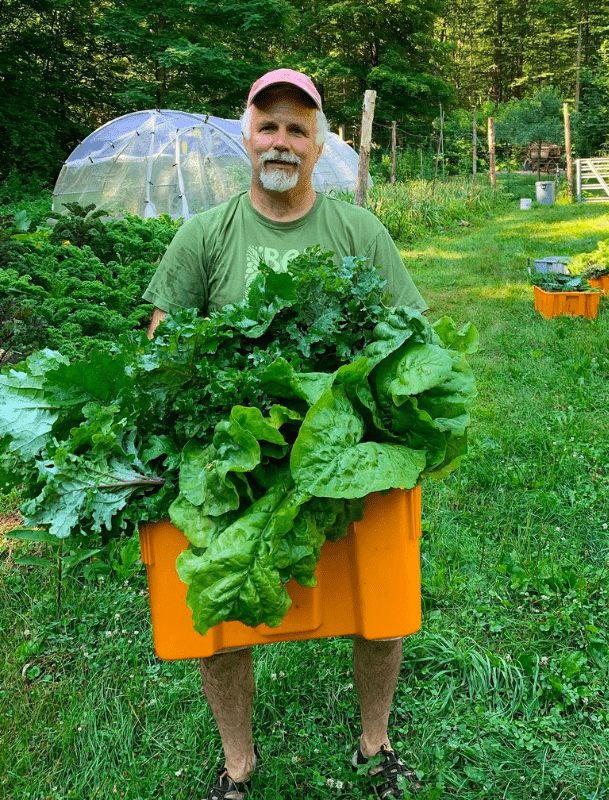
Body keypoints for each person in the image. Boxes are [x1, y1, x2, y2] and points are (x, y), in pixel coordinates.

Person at [143, 69, 427, 800]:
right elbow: (162, 351)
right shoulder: (205, 237)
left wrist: (372, 416)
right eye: (268, 125)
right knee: (220, 622)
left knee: (382, 609)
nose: (281, 141)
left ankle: (376, 742)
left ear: (321, 143)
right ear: (246, 135)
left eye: (297, 129)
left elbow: (414, 341)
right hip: (239, 466)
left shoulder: (359, 231)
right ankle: (238, 765)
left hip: (345, 457)